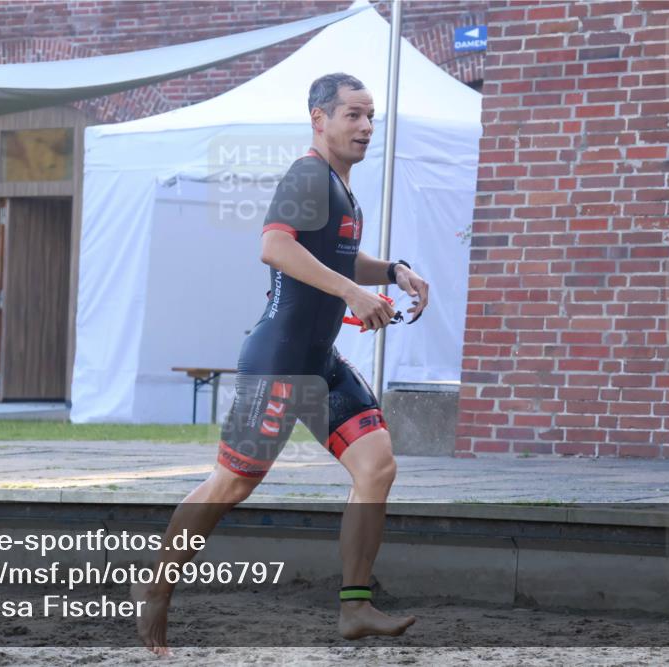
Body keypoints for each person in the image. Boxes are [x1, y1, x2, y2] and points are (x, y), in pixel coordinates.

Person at [132, 72, 431, 655]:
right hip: (279, 362)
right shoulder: (307, 174)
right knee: (231, 485)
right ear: (319, 119)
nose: (366, 127)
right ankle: (157, 588)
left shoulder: (339, 186)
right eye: (353, 115)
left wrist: (393, 271)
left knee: (377, 466)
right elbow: (274, 246)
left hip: (319, 361)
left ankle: (355, 607)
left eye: (371, 116)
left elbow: (337, 255)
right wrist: (352, 293)